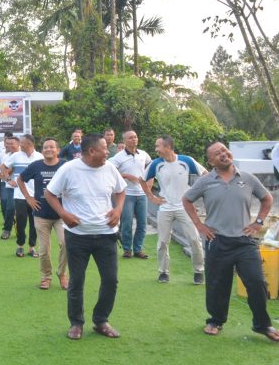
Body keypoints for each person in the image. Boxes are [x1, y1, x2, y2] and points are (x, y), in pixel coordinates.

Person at [183, 141, 279, 342]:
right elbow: (187, 200)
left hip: (245, 242)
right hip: (217, 241)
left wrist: (258, 222)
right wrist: (199, 226)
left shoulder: (247, 178)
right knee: (218, 284)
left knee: (257, 282)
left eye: (224, 150)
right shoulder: (206, 181)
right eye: (217, 154)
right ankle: (216, 320)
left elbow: (267, 198)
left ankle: (263, 325)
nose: (223, 155)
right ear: (210, 161)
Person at [45, 133, 126, 340]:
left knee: (110, 280)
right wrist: (63, 214)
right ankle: (76, 323)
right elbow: (49, 193)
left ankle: (101, 321)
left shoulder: (109, 168)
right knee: (77, 281)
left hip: (106, 235)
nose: (108, 152)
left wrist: (118, 210)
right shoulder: (69, 169)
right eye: (105, 149)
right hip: (78, 236)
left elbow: (121, 190)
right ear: (91, 151)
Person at [139, 135, 206, 284]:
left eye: (158, 146)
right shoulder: (156, 164)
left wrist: (193, 195)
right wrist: (151, 197)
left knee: (194, 239)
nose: (156, 149)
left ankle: (198, 272)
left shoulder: (186, 161)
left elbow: (205, 175)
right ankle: (163, 272)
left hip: (184, 207)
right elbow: (142, 180)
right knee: (162, 241)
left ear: (168, 147)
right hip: (165, 207)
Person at [18, 137, 68, 290]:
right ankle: (46, 277)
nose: (48, 150)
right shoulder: (36, 166)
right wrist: (28, 198)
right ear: (42, 150)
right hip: (41, 214)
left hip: (62, 215)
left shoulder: (66, 166)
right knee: (44, 249)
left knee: (66, 244)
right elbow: (20, 179)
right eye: (46, 147)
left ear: (57, 150)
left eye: (52, 147)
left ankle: (62, 274)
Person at [109, 130, 151, 259]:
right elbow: (110, 171)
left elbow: (151, 166)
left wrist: (149, 183)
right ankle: (127, 249)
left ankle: (138, 249)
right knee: (127, 223)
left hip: (142, 194)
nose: (134, 139)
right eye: (131, 137)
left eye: (135, 137)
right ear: (125, 141)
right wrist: (126, 175)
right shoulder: (118, 157)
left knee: (142, 223)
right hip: (127, 194)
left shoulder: (143, 154)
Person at [2, 134, 42, 257]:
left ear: (29, 143)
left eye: (22, 143)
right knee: (20, 222)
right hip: (20, 195)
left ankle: (32, 247)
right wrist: (8, 179)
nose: (20, 145)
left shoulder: (40, 157)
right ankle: (20, 246)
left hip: (36, 196)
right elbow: (3, 167)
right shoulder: (16, 156)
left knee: (35, 223)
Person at [0, 137, 17, 240]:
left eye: (12, 144)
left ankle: (21, 231)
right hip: (9, 185)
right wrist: (5, 177)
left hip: (26, 187)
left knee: (24, 211)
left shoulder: (24, 155)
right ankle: (7, 229)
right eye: (7, 144)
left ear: (18, 144)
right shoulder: (3, 155)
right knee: (8, 206)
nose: (9, 146)